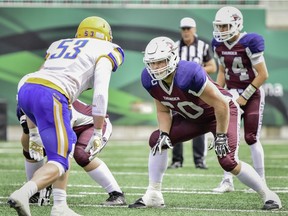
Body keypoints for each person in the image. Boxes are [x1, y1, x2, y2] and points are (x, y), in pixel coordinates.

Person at [128, 36, 281, 210]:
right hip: (193, 118)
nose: (156, 67)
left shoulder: (189, 73)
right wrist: (164, 134)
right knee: (157, 140)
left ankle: (268, 195)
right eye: (152, 63)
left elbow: (221, 104)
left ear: (172, 58)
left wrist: (221, 135)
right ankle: (154, 193)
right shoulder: (149, 79)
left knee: (227, 161)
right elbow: (163, 110)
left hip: (221, 113)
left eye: (160, 61)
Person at [8, 16, 124, 216]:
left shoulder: (59, 45)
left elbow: (40, 78)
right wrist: (97, 130)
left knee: (63, 149)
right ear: (106, 36)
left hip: (27, 88)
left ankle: (59, 206)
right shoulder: (107, 49)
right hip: (53, 94)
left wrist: (34, 133)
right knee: (60, 160)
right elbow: (100, 92)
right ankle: (25, 193)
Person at [16, 99, 126, 209]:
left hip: (93, 124)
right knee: (32, 150)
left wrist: (48, 179)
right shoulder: (25, 105)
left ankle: (117, 194)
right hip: (67, 125)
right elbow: (28, 136)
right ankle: (35, 192)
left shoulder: (60, 108)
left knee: (81, 155)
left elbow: (65, 152)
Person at [211, 6, 267, 193]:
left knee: (251, 137)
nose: (221, 31)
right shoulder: (218, 44)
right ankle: (227, 180)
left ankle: (261, 180)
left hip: (252, 92)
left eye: (225, 26)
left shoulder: (250, 41)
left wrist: (243, 97)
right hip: (232, 94)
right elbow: (221, 71)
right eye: (219, 26)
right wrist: (217, 94)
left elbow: (262, 74)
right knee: (225, 136)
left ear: (237, 24)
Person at [168, 17, 217, 169]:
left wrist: (195, 72)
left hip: (198, 91)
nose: (186, 32)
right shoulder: (175, 47)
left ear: (194, 29)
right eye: (183, 29)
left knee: (199, 122)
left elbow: (212, 67)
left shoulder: (202, 46)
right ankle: (177, 160)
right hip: (179, 91)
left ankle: (199, 160)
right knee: (176, 122)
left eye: (188, 28)